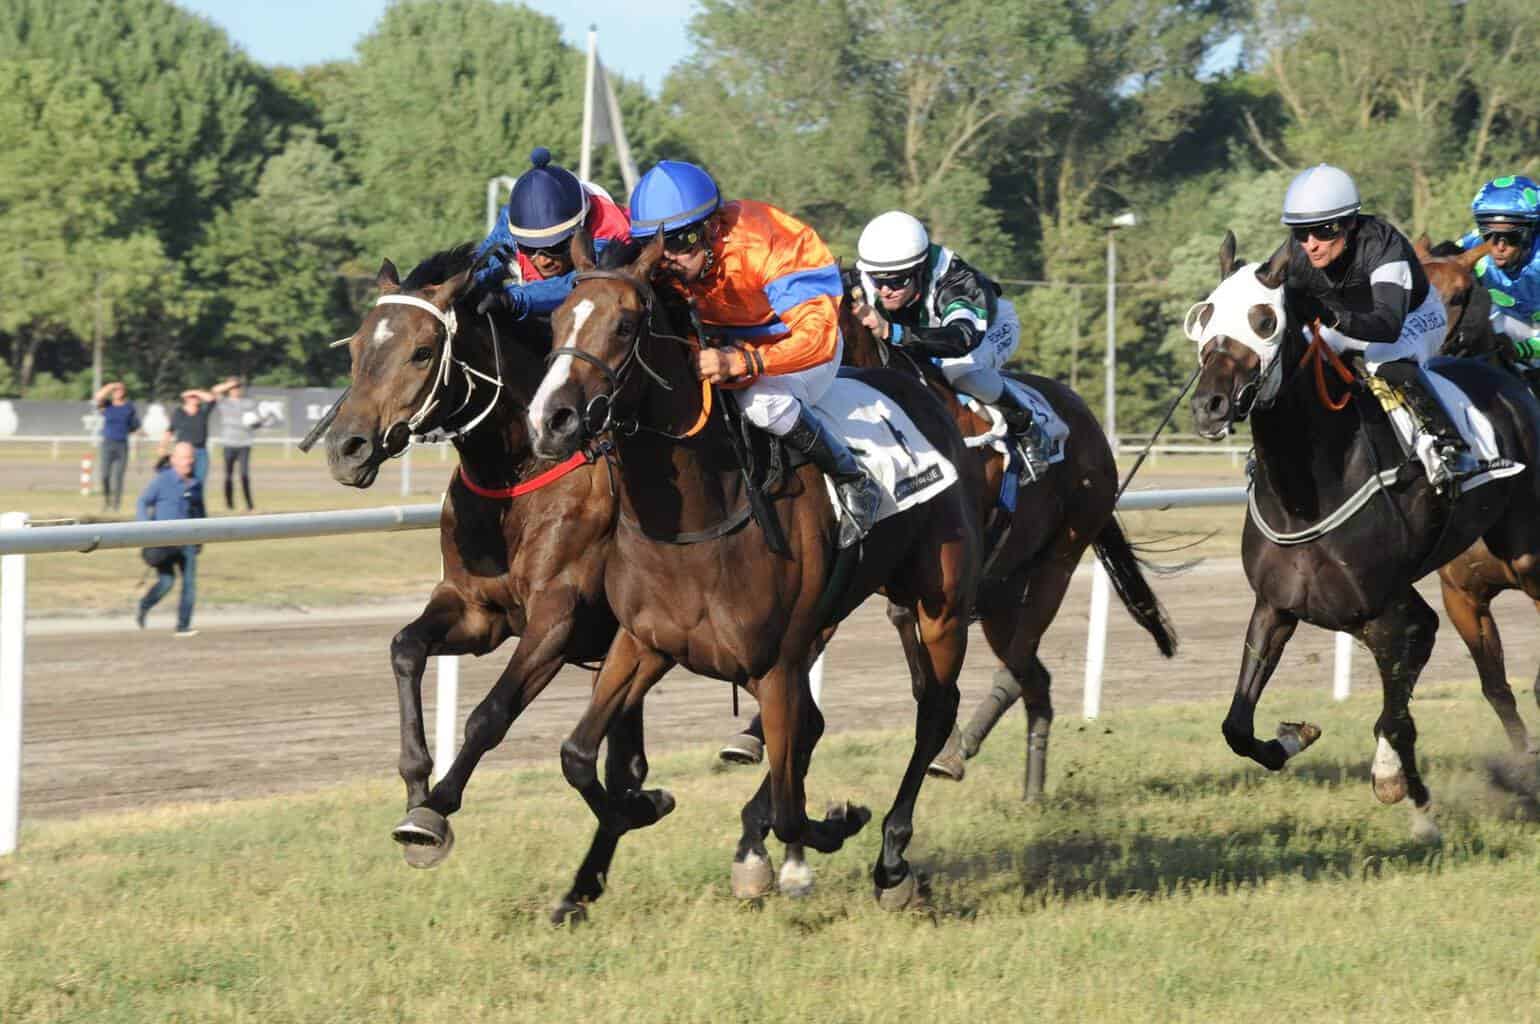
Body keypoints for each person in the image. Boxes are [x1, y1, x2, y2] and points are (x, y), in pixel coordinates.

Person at [627, 159, 883, 550]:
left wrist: (740, 362)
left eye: (679, 243)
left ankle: (853, 479)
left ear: (711, 227)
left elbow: (819, 338)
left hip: (799, 348)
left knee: (761, 402)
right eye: (655, 245)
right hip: (726, 342)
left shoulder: (770, 243)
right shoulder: (669, 261)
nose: (667, 258)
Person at [1276, 163, 1477, 489]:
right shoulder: (1298, 251)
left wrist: (1328, 315)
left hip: (1412, 316)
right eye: (1302, 232)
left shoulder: (1384, 246)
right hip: (1350, 317)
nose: (1311, 244)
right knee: (1298, 356)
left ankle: (1448, 444)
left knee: (1381, 357)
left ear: (1350, 223)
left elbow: (1386, 325)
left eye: (1324, 231)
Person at [850, 210, 1050, 479]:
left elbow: (961, 339)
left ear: (919, 270)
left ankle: (1027, 426)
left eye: (897, 281)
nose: (885, 290)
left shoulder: (957, 281)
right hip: (926, 330)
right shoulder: (864, 277)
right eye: (878, 281)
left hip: (983, 330)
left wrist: (891, 331)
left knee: (960, 372)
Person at [473, 146, 631, 320]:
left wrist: (513, 299)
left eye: (556, 247)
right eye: (530, 248)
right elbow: (481, 266)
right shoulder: (514, 220)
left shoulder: (613, 233)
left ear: (582, 227)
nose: (543, 260)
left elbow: (582, 282)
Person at [1457, 175, 1540, 364]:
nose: (1499, 246)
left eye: (1511, 237)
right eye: (1490, 235)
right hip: (1511, 321)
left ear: (1530, 233)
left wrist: (1523, 349)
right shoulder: (1472, 244)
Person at [135, 440, 205, 637]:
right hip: (163, 543)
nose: (189, 462)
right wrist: (145, 528)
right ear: (173, 459)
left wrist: (202, 538)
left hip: (188, 542)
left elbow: (201, 512)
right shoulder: (162, 480)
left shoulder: (196, 483)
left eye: (191, 457)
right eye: (184, 457)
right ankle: (144, 604)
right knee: (166, 582)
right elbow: (142, 501)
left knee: (189, 584)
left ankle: (183, 626)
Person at [215, 378, 267, 510]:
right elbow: (215, 390)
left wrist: (257, 423)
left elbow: (258, 421)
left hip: (244, 443)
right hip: (229, 443)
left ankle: (249, 505)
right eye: (234, 387)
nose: (236, 389)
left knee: (244, 475)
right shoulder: (224, 402)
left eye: (238, 387)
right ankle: (229, 504)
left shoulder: (249, 403)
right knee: (228, 475)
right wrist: (230, 383)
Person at [93, 380, 140, 512]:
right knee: (105, 475)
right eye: (115, 390)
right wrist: (111, 386)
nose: (117, 392)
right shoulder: (107, 405)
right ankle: (107, 500)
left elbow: (134, 425)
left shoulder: (129, 407)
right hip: (108, 443)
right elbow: (98, 397)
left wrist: (138, 432)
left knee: (118, 477)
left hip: (122, 444)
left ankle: (116, 505)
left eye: (120, 390)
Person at [162, 386, 220, 485]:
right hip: (184, 453)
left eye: (196, 397)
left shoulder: (203, 410)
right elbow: (170, 430)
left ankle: (196, 500)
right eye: (192, 397)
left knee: (199, 482)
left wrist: (195, 392)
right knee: (182, 481)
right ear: (186, 399)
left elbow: (211, 399)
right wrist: (162, 446)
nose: (195, 398)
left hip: (201, 451)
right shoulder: (179, 412)